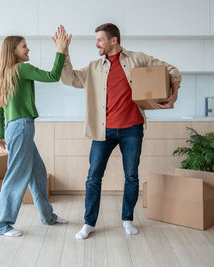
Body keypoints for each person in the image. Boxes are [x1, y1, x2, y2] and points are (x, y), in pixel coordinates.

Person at [59, 23, 182, 239]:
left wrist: (173, 94)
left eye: (100, 40)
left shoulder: (137, 59)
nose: (96, 43)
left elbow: (171, 70)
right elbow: (69, 78)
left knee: (131, 176)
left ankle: (127, 219)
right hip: (103, 131)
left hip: (132, 129)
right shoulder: (94, 67)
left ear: (113, 40)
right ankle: (89, 223)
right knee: (93, 178)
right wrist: (64, 53)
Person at [0, 29, 71, 237]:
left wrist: (1, 134)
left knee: (37, 173)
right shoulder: (22, 69)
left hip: (14, 129)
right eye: (24, 46)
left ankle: (48, 217)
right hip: (21, 128)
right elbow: (53, 76)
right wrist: (61, 50)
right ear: (14, 51)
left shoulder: (4, 74)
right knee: (16, 176)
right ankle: (3, 225)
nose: (28, 49)